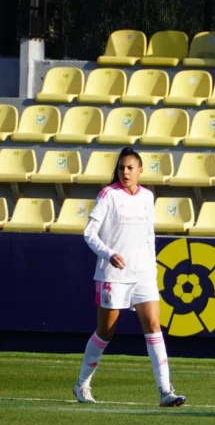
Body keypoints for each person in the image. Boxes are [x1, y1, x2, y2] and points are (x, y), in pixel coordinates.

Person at [73, 147, 186, 407]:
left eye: (130, 168)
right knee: (106, 331)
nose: (125, 172)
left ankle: (165, 391)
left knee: (154, 326)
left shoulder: (147, 196)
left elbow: (149, 236)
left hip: (143, 274)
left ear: (140, 170)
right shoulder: (108, 195)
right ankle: (82, 385)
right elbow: (90, 233)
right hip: (113, 274)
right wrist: (109, 253)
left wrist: (152, 270)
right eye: (122, 167)